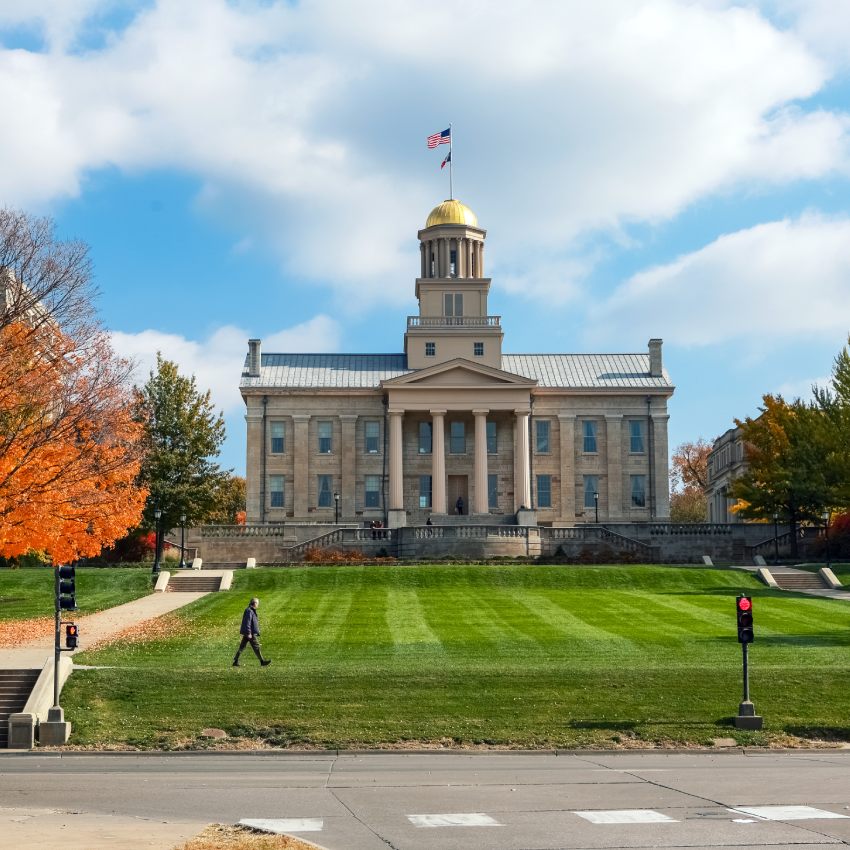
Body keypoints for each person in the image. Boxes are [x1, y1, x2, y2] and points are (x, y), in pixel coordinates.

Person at [233, 597, 271, 667]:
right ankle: (262, 661)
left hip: (248, 633)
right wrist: (249, 633)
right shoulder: (249, 611)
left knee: (242, 647)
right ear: (255, 603)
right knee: (256, 646)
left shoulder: (250, 610)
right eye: (258, 603)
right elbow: (248, 622)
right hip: (250, 633)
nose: (258, 605)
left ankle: (235, 661)